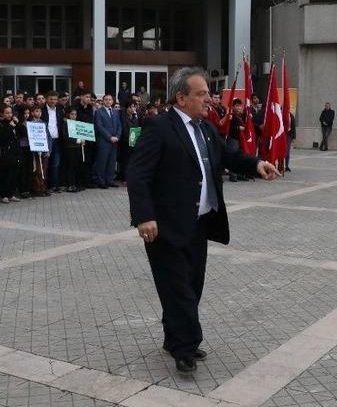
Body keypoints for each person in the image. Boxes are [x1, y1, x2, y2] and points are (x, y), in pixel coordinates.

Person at [127, 67, 280, 373]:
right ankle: (186, 347)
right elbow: (137, 174)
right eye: (201, 94)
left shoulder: (207, 129)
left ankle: (174, 340)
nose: (208, 99)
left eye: (208, 93)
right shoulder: (159, 127)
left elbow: (229, 157)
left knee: (191, 286)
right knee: (178, 290)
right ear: (181, 98)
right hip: (166, 227)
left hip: (199, 224)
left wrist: (257, 164)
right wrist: (144, 216)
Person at [0, 104, 22, 203]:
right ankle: (4, 194)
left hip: (16, 151)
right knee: (6, 174)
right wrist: (10, 126)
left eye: (10, 113)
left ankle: (11, 193)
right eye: (7, 113)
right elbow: (2, 138)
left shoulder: (14, 122)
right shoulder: (0, 124)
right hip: (6, 152)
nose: (9, 115)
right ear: (2, 114)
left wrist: (18, 123)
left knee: (15, 173)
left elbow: (22, 133)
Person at [94, 94, 122, 189]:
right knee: (102, 161)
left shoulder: (115, 111)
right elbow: (99, 126)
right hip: (104, 141)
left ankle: (109, 180)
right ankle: (101, 181)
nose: (108, 101)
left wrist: (117, 136)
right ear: (103, 101)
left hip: (115, 141)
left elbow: (119, 125)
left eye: (110, 100)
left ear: (112, 101)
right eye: (106, 99)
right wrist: (109, 137)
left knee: (112, 161)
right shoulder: (98, 112)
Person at [41, 91, 63, 193]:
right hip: (45, 140)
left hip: (57, 140)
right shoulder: (42, 110)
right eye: (51, 99)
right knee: (46, 164)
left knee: (56, 164)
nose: (53, 101)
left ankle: (55, 185)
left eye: (55, 99)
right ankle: (45, 186)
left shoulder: (59, 110)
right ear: (46, 99)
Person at [60, 107, 84, 193]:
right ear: (68, 115)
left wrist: (83, 139)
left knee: (76, 166)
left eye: (75, 114)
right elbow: (65, 136)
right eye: (72, 114)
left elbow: (81, 133)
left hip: (77, 147)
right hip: (69, 148)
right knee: (70, 166)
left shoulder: (77, 123)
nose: (74, 116)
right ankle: (70, 185)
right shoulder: (66, 123)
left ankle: (75, 183)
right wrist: (76, 140)